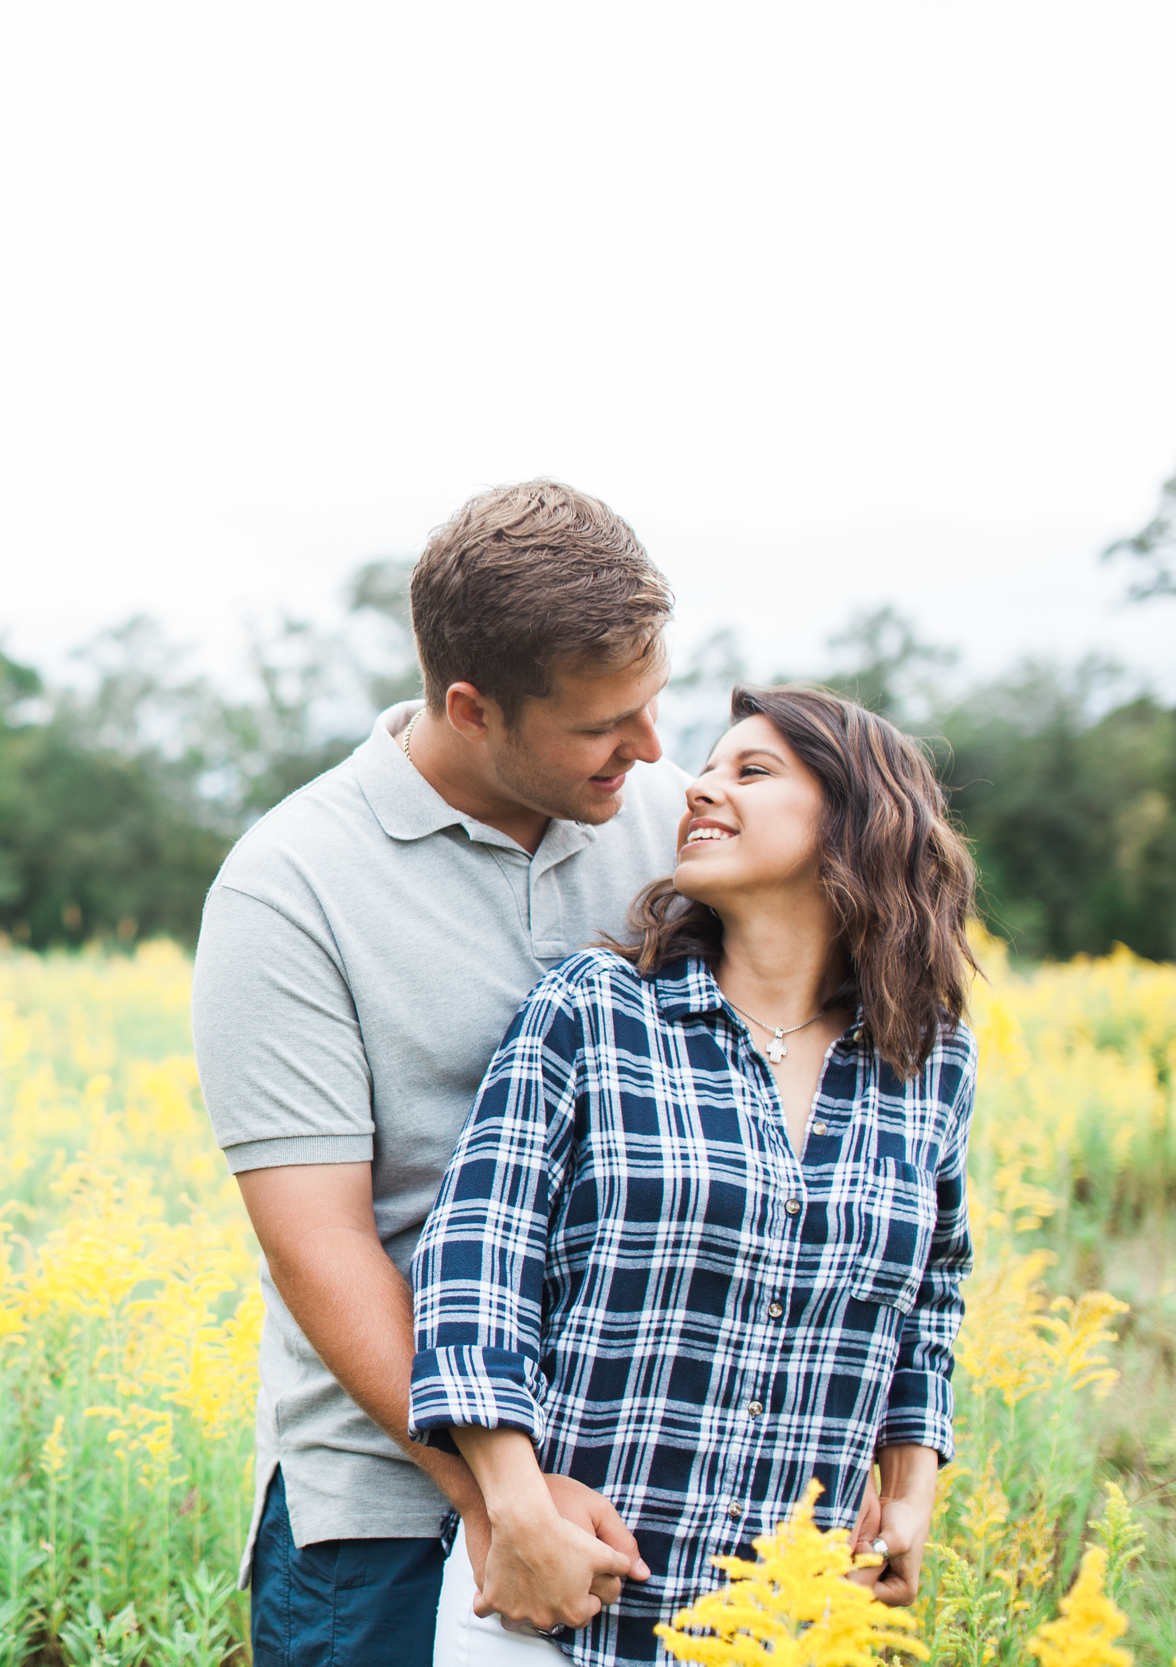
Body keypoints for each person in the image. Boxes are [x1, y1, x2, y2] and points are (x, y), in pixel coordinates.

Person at [192, 480, 683, 1667]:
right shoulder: (288, 886)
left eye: (653, 702)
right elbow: (322, 1242)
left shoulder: (676, 825)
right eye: (599, 723)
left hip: (650, 1486)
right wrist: (496, 1496)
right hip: (390, 1506)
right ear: (469, 706)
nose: (651, 747)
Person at [408, 685, 977, 1667]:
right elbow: (475, 1261)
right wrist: (513, 1501)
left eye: (749, 771)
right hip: (561, 1600)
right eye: (705, 771)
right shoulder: (594, 1007)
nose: (700, 789)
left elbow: (930, 1297)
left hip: (796, 1613)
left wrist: (912, 1491)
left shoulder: (928, 1059)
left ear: (860, 818)